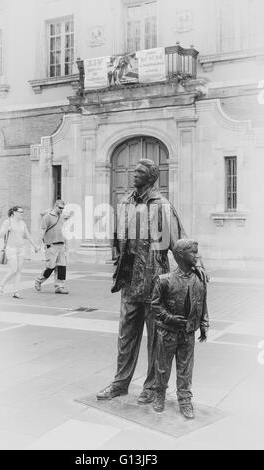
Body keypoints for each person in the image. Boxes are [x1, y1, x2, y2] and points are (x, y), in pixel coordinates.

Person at [97, 159, 191, 404]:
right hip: (129, 281)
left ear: (151, 177)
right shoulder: (125, 202)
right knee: (125, 336)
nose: (133, 174)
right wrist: (117, 260)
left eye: (139, 172)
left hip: (155, 282)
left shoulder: (162, 205)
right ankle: (119, 383)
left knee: (157, 339)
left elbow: (179, 243)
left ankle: (153, 387)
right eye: (134, 170)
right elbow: (118, 237)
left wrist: (193, 271)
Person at [151, 239, 209, 419]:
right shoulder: (164, 280)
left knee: (185, 368)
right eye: (193, 252)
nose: (197, 255)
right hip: (167, 332)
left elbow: (203, 303)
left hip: (188, 331)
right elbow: (155, 306)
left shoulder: (199, 278)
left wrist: (204, 325)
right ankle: (159, 394)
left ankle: (185, 399)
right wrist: (170, 318)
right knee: (162, 367)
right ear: (181, 255)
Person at [0, 206, 39, 299]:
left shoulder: (22, 223)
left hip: (21, 249)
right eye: (20, 212)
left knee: (19, 270)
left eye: (22, 212)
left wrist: (35, 246)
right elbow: (0, 234)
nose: (22, 213)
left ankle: (16, 292)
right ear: (14, 212)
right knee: (13, 269)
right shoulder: (7, 222)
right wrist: (7, 229)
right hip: (11, 248)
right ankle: (1, 285)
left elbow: (28, 235)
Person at [35, 200, 70, 294]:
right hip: (51, 246)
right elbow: (42, 231)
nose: (61, 210)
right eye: (60, 208)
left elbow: (64, 232)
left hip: (61, 245)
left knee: (62, 267)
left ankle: (60, 287)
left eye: (63, 208)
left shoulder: (62, 217)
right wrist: (38, 245)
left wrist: (67, 245)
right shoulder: (47, 217)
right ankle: (39, 281)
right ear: (55, 206)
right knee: (50, 267)